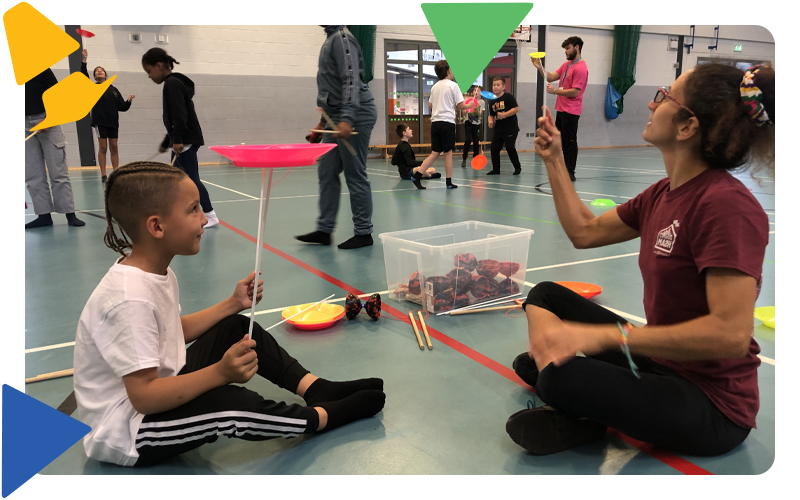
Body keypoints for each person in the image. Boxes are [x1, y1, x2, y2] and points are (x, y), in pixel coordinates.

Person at [505, 64, 774, 457]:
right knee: (546, 294)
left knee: (560, 378)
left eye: (665, 96)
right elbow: (585, 232)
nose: (652, 102)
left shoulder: (725, 205)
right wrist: (554, 160)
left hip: (711, 405)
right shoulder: (663, 192)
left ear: (687, 126)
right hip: (659, 362)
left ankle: (579, 407)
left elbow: (730, 335)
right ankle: (578, 392)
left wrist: (601, 336)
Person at [74, 162, 387, 467]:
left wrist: (233, 303)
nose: (202, 218)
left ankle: (314, 388)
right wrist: (219, 374)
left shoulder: (155, 272)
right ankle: (320, 419)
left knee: (237, 326)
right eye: (193, 209)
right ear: (156, 226)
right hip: (130, 430)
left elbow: (171, 331)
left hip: (158, 393)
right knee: (226, 404)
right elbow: (145, 397)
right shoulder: (130, 298)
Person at [295, 25, 377, 250]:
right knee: (327, 170)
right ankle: (324, 230)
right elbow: (331, 88)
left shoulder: (341, 39)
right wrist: (322, 125)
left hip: (356, 115)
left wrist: (348, 118)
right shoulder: (332, 38)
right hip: (337, 116)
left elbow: (350, 80)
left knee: (355, 173)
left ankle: (363, 232)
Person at [141, 48, 218, 228]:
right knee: (175, 180)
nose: (149, 76)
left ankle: (210, 215)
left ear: (159, 66)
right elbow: (175, 121)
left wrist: (177, 140)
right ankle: (178, 214)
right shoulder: (175, 83)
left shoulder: (172, 84)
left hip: (186, 140)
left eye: (149, 71)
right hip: (184, 139)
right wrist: (166, 143)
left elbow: (179, 117)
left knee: (191, 180)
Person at [25, 68, 84, 228]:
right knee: (33, 175)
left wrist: (49, 118)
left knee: (58, 172)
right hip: (22, 123)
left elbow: (58, 95)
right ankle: (43, 216)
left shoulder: (41, 67)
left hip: (47, 120)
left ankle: (69, 214)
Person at [531, 36, 588, 181]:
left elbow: (575, 91)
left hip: (572, 110)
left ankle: (570, 171)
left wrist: (556, 91)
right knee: (560, 141)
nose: (566, 52)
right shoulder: (567, 65)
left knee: (569, 141)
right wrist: (540, 67)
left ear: (576, 47)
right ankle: (562, 168)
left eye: (567, 48)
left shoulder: (581, 68)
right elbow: (550, 77)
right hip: (561, 109)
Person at [416, 60, 476, 189]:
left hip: (435, 123)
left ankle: (417, 176)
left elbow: (430, 105)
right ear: (448, 70)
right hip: (447, 123)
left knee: (435, 153)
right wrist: (470, 105)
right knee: (448, 153)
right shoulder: (453, 85)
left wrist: (442, 104)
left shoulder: (434, 86)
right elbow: (461, 105)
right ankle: (449, 182)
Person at [80, 49, 135, 183]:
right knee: (103, 148)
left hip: (113, 122)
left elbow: (121, 107)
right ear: (94, 77)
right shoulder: (93, 88)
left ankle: (116, 172)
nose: (99, 71)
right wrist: (84, 61)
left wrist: (128, 101)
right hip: (100, 122)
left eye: (101, 70)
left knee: (114, 147)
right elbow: (82, 77)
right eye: (96, 71)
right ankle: (104, 174)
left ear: (105, 75)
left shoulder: (114, 90)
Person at [487, 76, 521, 175]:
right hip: (498, 129)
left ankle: (517, 167)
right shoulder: (492, 101)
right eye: (494, 85)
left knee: (510, 147)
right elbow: (491, 115)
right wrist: (490, 121)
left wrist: (504, 115)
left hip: (510, 128)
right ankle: (496, 169)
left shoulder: (508, 97)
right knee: (494, 148)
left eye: (498, 85)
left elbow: (515, 109)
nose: (495, 87)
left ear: (503, 86)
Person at [391, 122, 441, 189]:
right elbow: (410, 162)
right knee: (421, 169)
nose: (411, 130)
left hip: (409, 170)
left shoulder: (403, 145)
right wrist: (424, 162)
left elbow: (393, 161)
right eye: (409, 129)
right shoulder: (404, 146)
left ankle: (425, 175)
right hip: (406, 172)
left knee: (433, 170)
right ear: (404, 133)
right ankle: (429, 176)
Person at [461, 85, 484, 168]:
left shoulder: (481, 102)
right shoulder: (469, 100)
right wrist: (467, 108)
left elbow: (479, 115)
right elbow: (464, 113)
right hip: (468, 122)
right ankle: (464, 158)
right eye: (475, 90)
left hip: (476, 123)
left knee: (476, 142)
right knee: (467, 140)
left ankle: (475, 159)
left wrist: (476, 107)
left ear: (480, 93)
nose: (476, 92)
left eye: (478, 90)